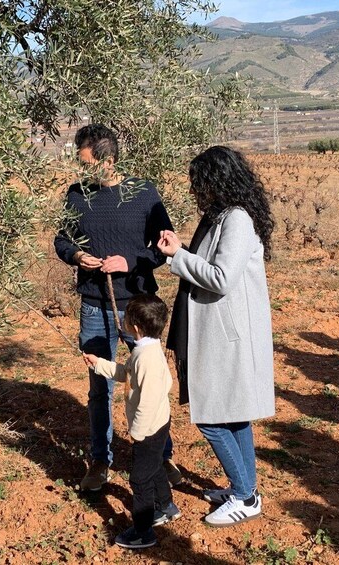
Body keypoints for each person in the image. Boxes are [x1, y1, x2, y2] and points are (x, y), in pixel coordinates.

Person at [54, 124, 182, 492]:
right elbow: (62, 240)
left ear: (108, 160)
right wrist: (76, 255)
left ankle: (161, 456)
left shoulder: (144, 193)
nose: (82, 171)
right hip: (94, 308)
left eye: (87, 163)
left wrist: (130, 261)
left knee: (151, 384)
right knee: (100, 388)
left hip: (139, 306)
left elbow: (165, 248)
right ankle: (100, 460)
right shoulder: (76, 195)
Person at [157, 145, 275, 527]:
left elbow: (221, 278)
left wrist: (179, 255)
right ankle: (245, 489)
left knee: (211, 418)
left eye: (199, 182)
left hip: (227, 337)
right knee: (234, 415)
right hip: (221, 333)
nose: (195, 190)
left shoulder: (237, 219)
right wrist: (181, 251)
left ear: (217, 180)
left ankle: (244, 496)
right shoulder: (221, 215)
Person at [83, 294, 180, 549]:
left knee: (139, 479)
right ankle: (166, 506)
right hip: (157, 424)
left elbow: (147, 400)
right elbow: (126, 373)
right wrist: (99, 364)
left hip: (148, 429)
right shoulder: (146, 348)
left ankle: (143, 531)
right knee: (154, 466)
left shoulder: (146, 358)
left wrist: (137, 432)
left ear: (134, 326)